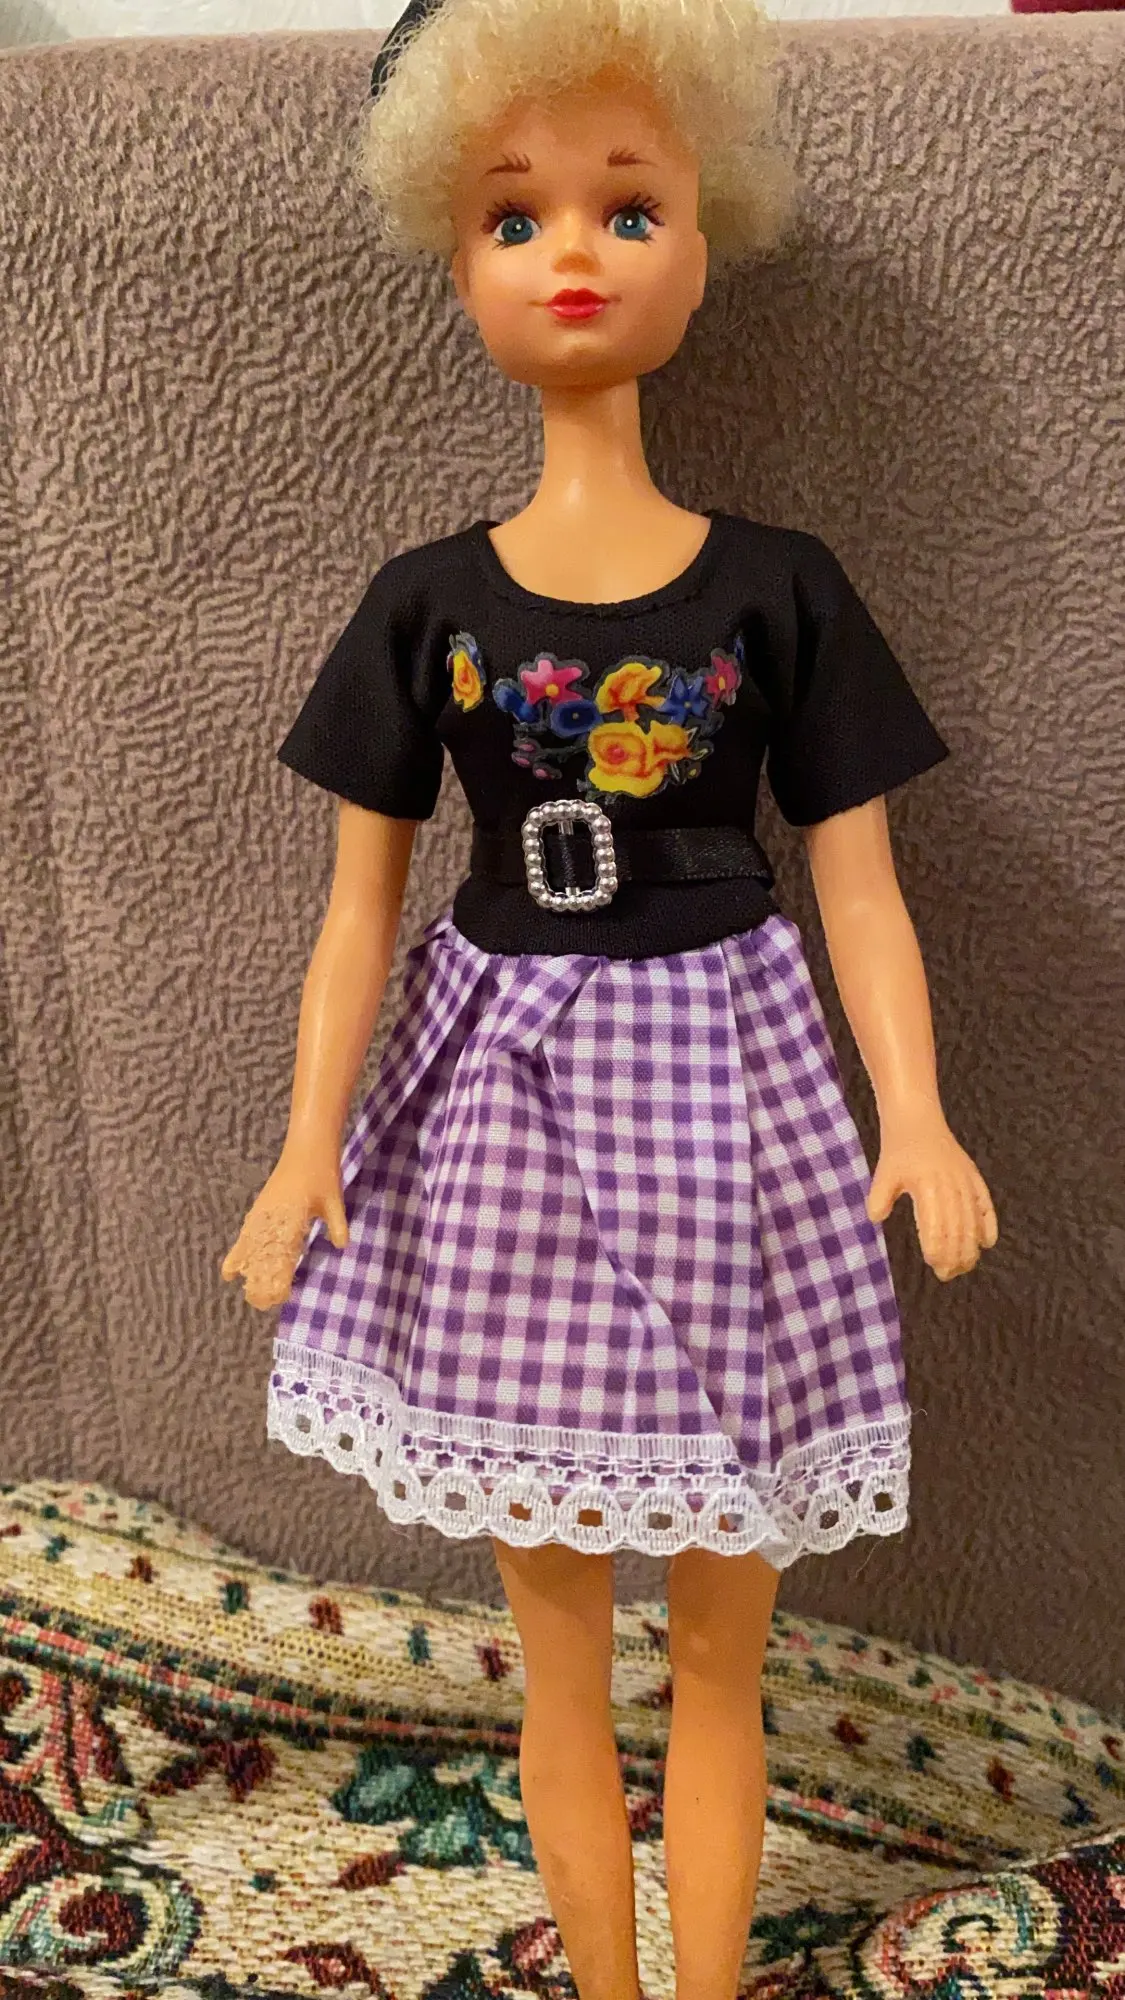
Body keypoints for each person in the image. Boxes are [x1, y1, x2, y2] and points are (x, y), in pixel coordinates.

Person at [222, 3, 999, 1995]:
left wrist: (916, 1114)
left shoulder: (779, 588)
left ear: (704, 239)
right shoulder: (428, 602)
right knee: (556, 1653)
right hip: (502, 1113)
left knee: (728, 1651)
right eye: (514, 216)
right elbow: (355, 916)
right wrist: (305, 1147)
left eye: (626, 205)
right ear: (454, 255)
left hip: (732, 1101)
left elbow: (859, 881)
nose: (572, 250)